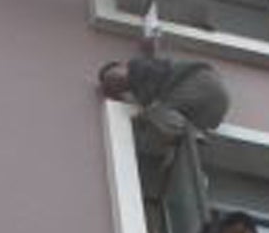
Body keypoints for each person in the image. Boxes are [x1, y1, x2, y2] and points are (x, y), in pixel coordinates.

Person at [98, 44, 229, 158]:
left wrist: (140, 112)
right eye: (111, 84)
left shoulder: (137, 66)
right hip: (211, 109)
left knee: (154, 111)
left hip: (199, 82)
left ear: (122, 65)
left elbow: (150, 86)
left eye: (113, 76)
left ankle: (191, 133)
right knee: (160, 115)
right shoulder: (143, 84)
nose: (115, 82)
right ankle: (193, 133)